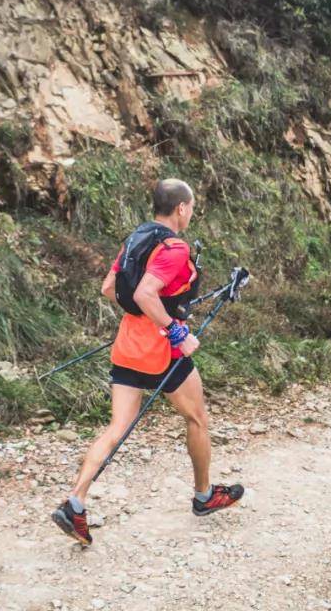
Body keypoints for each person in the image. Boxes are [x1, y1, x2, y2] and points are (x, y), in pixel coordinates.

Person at [51, 178, 244, 546]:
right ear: (181, 208)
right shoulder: (175, 248)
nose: (191, 213)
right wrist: (175, 331)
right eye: (191, 207)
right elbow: (145, 293)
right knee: (197, 419)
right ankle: (204, 496)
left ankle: (74, 503)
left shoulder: (136, 239)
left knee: (116, 427)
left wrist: (143, 318)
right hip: (163, 350)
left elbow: (110, 289)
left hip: (128, 344)